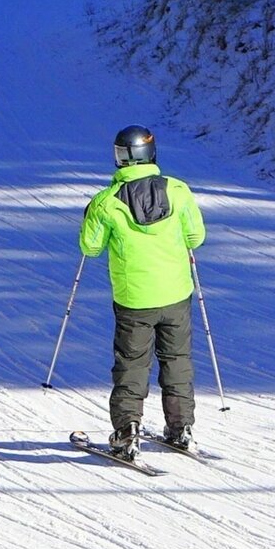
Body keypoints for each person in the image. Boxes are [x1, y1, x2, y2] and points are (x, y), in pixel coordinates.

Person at [79, 124, 206, 461]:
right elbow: (196, 237)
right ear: (151, 153)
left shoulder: (106, 203)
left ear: (121, 157)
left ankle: (126, 431)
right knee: (177, 360)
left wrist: (88, 218)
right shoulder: (178, 191)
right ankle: (180, 427)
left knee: (132, 364)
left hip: (134, 298)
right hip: (176, 293)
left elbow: (90, 247)